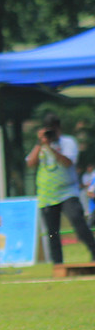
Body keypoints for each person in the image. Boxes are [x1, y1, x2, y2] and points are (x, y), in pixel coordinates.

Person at [26, 113, 95, 264]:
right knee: (52, 233)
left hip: (67, 192)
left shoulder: (68, 142)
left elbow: (68, 162)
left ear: (58, 128)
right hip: (47, 194)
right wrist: (40, 143)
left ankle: (94, 251)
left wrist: (51, 148)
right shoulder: (41, 145)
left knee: (78, 222)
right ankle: (58, 264)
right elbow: (30, 163)